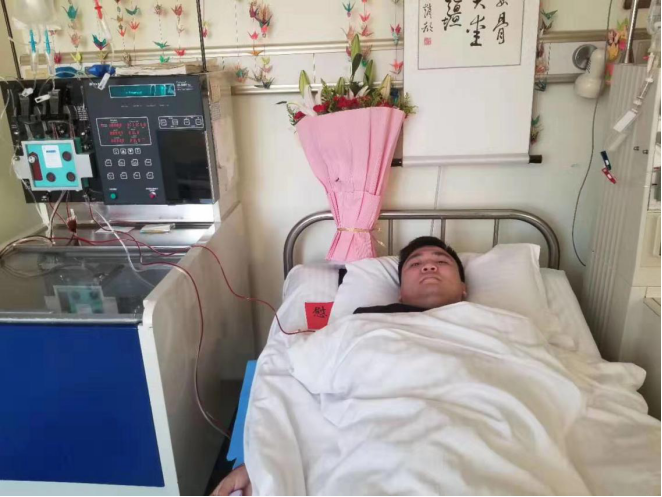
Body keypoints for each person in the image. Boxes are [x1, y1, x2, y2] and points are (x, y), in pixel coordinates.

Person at [210, 237, 466, 496]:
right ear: (400, 292)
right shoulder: (363, 323)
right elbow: (288, 377)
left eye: (441, 261)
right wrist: (263, 462)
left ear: (464, 289)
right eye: (415, 264)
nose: (429, 266)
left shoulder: (491, 324)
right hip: (372, 445)